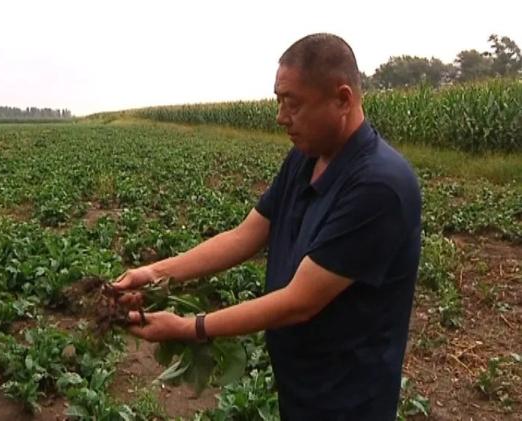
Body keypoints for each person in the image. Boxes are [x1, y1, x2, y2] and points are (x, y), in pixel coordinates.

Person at [113, 33, 422, 421]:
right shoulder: (304, 159)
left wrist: (189, 327)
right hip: (302, 383)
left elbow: (299, 302)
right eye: (279, 101)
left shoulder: (379, 186)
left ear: (342, 99)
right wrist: (153, 273)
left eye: (292, 104)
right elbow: (245, 236)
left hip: (349, 398)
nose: (280, 117)